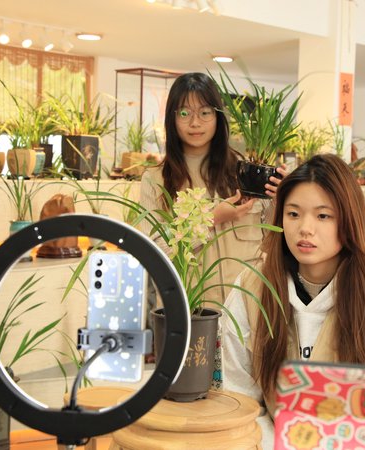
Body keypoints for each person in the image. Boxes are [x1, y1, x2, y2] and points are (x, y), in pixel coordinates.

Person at [222, 154, 365, 449]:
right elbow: (241, 402)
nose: (305, 228)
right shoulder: (252, 288)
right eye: (293, 214)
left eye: (323, 216)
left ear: (349, 220)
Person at [138, 72, 285, 387]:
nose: (195, 122)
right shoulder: (155, 180)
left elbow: (274, 239)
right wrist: (209, 219)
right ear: (172, 118)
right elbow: (152, 252)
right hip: (188, 315)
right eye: (185, 113)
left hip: (245, 314)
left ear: (218, 117)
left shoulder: (246, 173)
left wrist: (281, 196)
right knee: (188, 398)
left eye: (205, 112)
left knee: (246, 399)